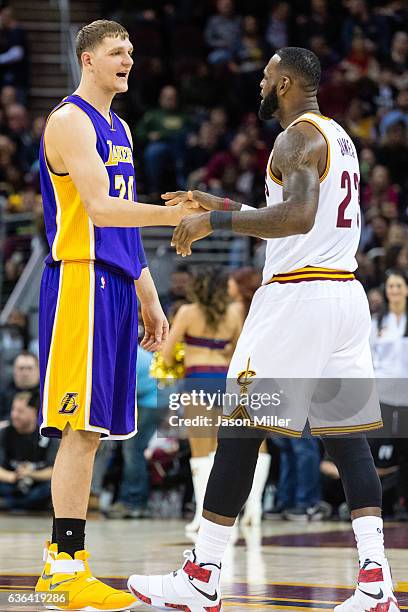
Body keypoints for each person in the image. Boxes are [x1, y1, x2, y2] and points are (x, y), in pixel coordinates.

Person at [129, 47, 400, 612]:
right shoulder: (337, 137)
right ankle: (376, 582)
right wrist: (221, 202)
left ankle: (200, 576)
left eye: (266, 73)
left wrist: (216, 221)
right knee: (349, 439)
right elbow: (296, 221)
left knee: (239, 425)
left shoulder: (294, 138)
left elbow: (296, 219)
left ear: (284, 83)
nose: (259, 80)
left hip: (298, 296)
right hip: (343, 296)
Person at [35, 19, 199, 611]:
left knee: (95, 431)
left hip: (114, 284)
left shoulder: (121, 127)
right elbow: (103, 211)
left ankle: (67, 565)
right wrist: (183, 216)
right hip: (79, 280)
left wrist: (148, 295)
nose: (127, 59)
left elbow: (124, 224)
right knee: (78, 429)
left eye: (130, 51)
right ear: (87, 59)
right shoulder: (69, 120)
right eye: (115, 51)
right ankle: (63, 569)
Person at [160, 265, 242, 532]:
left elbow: (167, 354)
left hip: (197, 381)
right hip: (225, 382)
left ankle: (201, 515)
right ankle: (228, 514)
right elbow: (239, 352)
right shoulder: (233, 313)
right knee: (222, 452)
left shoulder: (186, 312)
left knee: (200, 454)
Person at [370, 269, 408, 521]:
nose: (394, 290)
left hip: (406, 395)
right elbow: (369, 357)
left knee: (405, 449)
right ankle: (377, 504)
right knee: (376, 449)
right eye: (390, 286)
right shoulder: (377, 321)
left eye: (398, 285)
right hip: (382, 392)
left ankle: (403, 501)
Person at [0, 391, 57, 511]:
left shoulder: (48, 434)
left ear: (33, 413)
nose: (14, 415)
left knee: (50, 488)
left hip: (37, 485)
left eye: (20, 411)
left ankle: (13, 504)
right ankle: (21, 504)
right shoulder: (5, 433)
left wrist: (30, 474)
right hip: (11, 484)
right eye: (13, 410)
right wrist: (13, 476)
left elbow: (55, 471)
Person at [0, 351, 40, 420]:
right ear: (14, 371)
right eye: (21, 368)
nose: (25, 373)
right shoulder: (3, 395)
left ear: (38, 370)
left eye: (29, 368)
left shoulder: (47, 395)